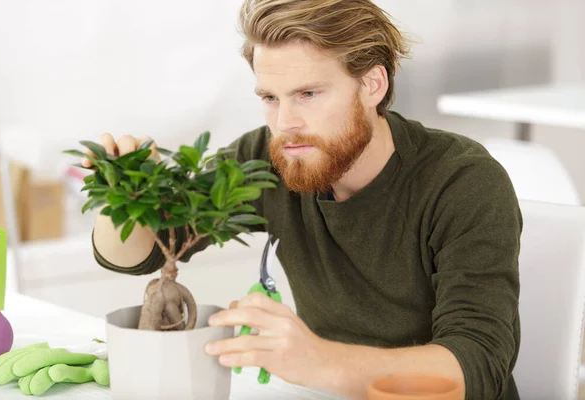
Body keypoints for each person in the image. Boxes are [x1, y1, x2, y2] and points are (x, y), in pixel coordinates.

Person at [84, 1, 522, 399]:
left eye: (308, 94)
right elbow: (140, 254)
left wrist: (317, 360)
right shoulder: (266, 158)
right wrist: (121, 193)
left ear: (372, 84)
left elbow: (477, 366)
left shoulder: (462, 181)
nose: (285, 123)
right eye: (270, 98)